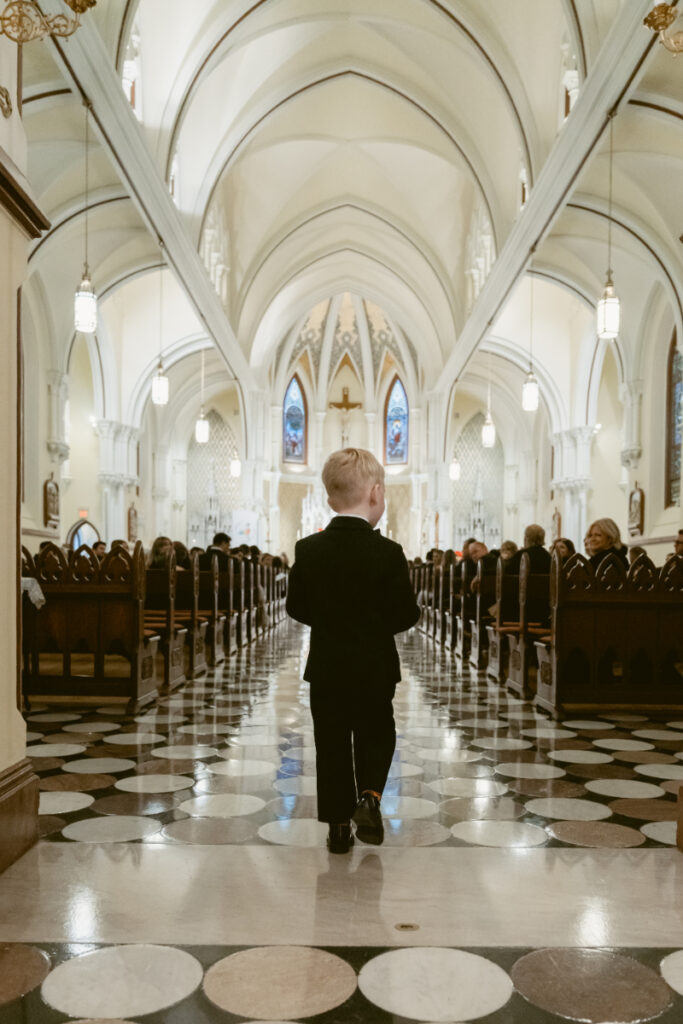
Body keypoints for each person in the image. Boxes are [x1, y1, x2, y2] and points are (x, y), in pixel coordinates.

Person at [286, 448, 419, 854]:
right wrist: (374, 624)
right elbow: (406, 614)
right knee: (377, 731)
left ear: (329, 499)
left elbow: (296, 607)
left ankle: (339, 827)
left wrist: (332, 620)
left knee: (331, 742)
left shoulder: (308, 549)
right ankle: (371, 798)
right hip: (375, 666)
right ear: (376, 493)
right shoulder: (389, 553)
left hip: (326, 665)